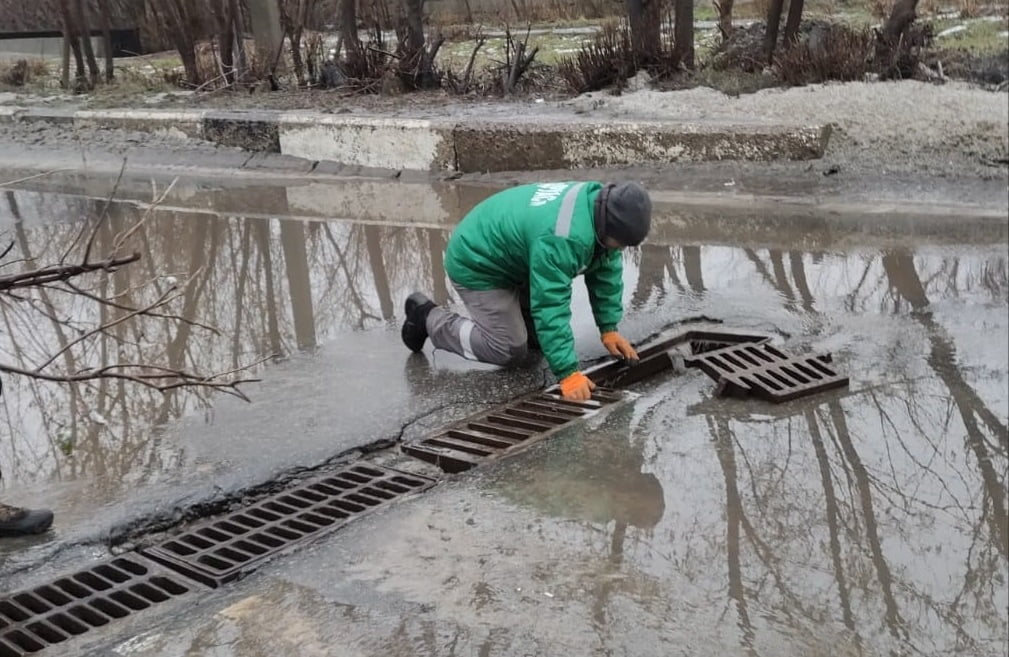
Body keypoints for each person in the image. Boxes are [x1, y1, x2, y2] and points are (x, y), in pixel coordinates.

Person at [401, 180, 651, 401]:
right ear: (606, 224)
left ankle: (517, 314)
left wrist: (608, 328)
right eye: (619, 244)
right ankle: (428, 318)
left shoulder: (598, 204)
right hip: (478, 262)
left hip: (516, 257)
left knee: (539, 342)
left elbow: (605, 267)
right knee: (508, 348)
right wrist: (568, 373)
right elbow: (550, 303)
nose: (619, 250)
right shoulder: (563, 236)